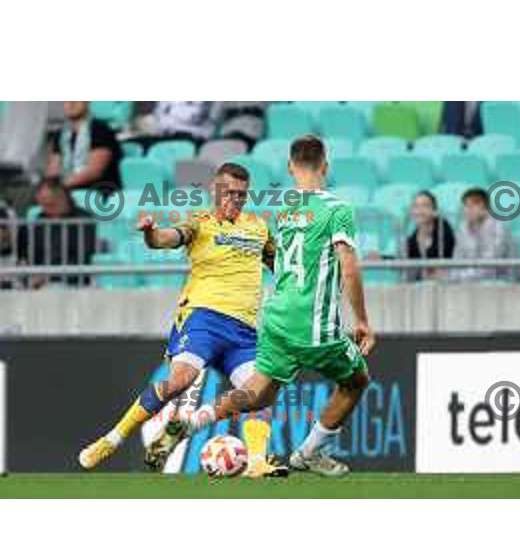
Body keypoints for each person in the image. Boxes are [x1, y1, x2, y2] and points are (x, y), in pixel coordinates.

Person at [145, 135, 375, 476]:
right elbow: (349, 267)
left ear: (290, 168)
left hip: (276, 319)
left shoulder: (281, 211)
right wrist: (363, 320)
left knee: (258, 393)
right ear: (325, 166)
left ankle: (192, 422)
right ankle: (310, 452)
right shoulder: (337, 210)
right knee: (356, 381)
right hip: (313, 322)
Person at [78, 163, 283, 478]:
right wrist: (150, 233)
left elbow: (279, 266)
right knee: (179, 381)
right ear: (216, 191)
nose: (235, 200)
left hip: (244, 330)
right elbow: (167, 238)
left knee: (261, 392)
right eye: (229, 193)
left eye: (242, 195)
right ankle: (111, 439)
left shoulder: (258, 228)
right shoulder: (199, 223)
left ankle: (256, 461)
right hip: (204, 318)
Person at [18, 177, 96, 288]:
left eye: (51, 204)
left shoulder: (83, 220)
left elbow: (84, 257)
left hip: (72, 282)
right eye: (43, 204)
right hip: (39, 281)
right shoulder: (40, 220)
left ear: (63, 197)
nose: (46, 209)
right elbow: (30, 253)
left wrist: (49, 275)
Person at [46, 101, 122, 190]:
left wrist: (60, 186)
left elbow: (94, 172)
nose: (71, 103)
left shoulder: (100, 130)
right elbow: (53, 170)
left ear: (87, 102)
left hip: (96, 191)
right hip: (66, 191)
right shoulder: (61, 135)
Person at [450, 187, 514, 282]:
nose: (467, 210)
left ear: (485, 208)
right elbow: (457, 260)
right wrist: (454, 276)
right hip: (470, 281)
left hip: (502, 282)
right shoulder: (462, 229)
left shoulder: (499, 228)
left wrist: (458, 276)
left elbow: (489, 267)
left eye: (471, 206)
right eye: (466, 206)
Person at [406, 190, 455, 281]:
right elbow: (405, 260)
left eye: (425, 206)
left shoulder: (444, 231)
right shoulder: (412, 240)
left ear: (435, 211)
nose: (420, 210)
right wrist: (382, 257)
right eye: (416, 206)